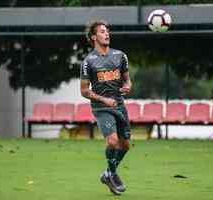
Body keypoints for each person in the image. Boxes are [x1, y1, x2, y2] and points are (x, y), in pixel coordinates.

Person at [80, 20, 132, 195]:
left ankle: (108, 173)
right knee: (113, 141)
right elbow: (84, 91)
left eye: (107, 31)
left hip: (119, 105)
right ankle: (112, 174)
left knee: (125, 146)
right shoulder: (88, 61)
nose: (107, 34)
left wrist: (128, 85)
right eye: (102, 31)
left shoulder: (120, 56)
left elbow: (127, 79)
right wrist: (104, 100)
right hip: (101, 108)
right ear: (94, 37)